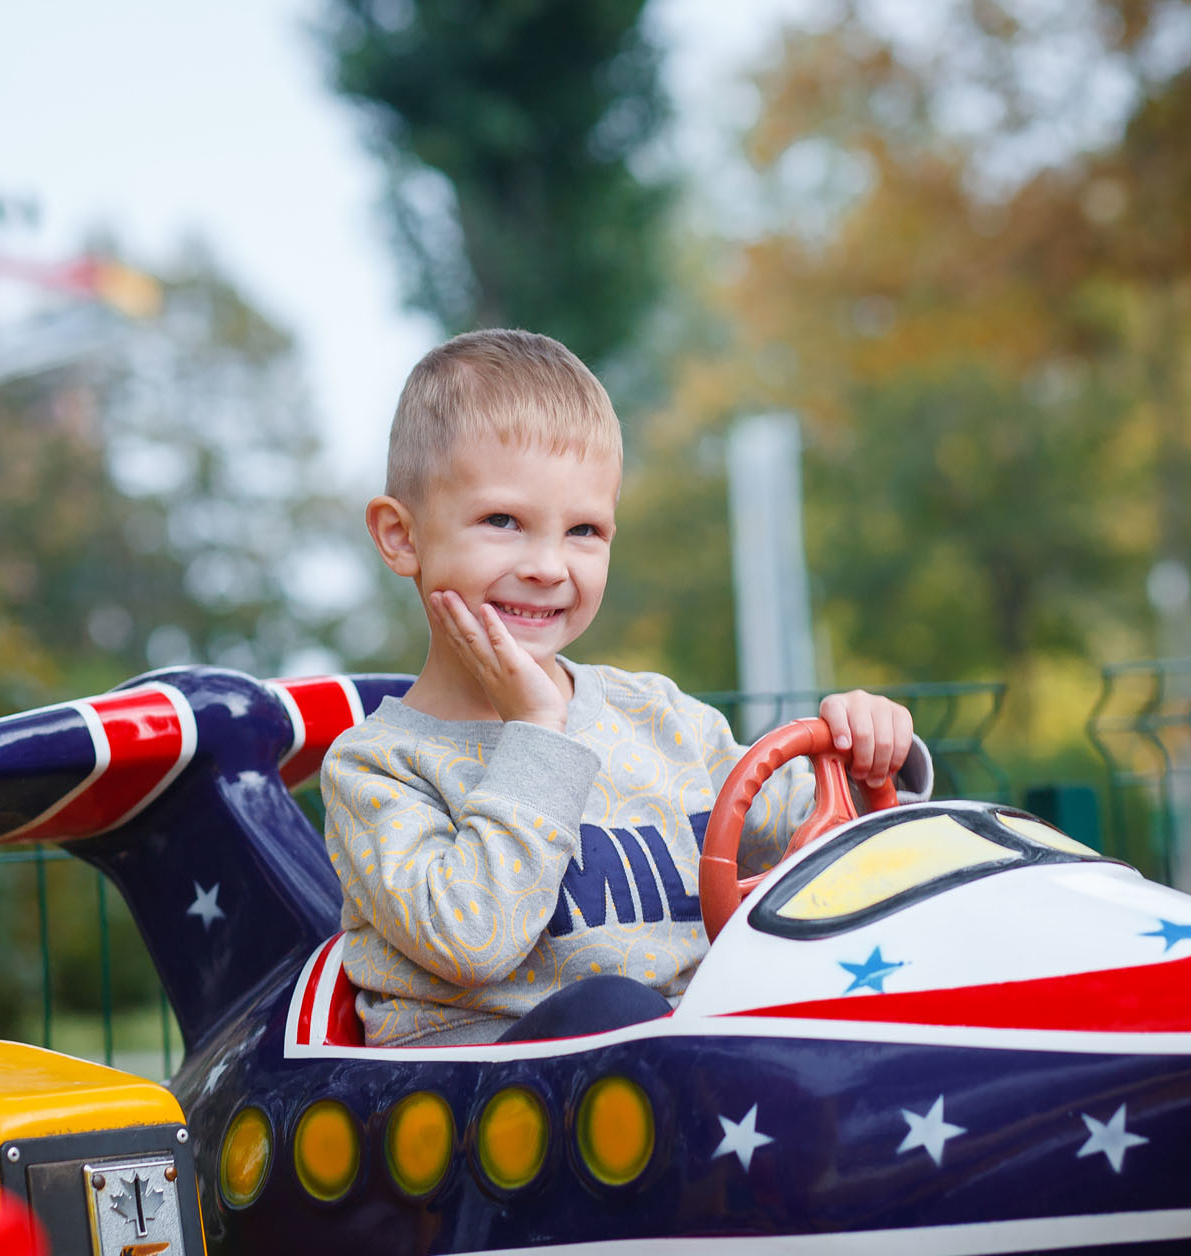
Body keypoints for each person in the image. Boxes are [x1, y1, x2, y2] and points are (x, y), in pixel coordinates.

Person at [321, 329, 918, 1047]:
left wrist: (873, 756)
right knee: (611, 1015)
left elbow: (823, 840)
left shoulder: (659, 717)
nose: (547, 565)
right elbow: (471, 939)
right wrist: (537, 729)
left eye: (583, 530)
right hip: (487, 1112)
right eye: (503, 521)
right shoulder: (379, 765)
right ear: (401, 536)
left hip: (694, 1083)